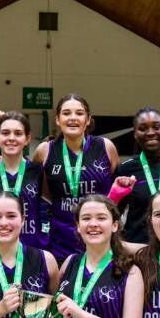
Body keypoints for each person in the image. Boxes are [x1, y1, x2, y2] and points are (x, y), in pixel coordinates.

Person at [33, 94, 119, 262]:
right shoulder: (45, 151)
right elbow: (42, 193)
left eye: (79, 113)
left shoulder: (105, 147)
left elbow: (116, 190)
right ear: (58, 119)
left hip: (100, 236)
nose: (73, 118)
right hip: (60, 240)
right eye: (66, 113)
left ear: (87, 120)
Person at [110, 108, 160, 243]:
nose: (151, 133)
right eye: (143, 128)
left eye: (156, 127)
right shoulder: (125, 169)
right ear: (135, 134)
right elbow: (114, 213)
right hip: (138, 248)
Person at [0, 112, 46, 249]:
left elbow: (47, 208)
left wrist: (44, 239)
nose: (11, 138)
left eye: (18, 133)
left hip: (32, 247)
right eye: (5, 133)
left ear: (27, 138)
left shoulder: (38, 171)